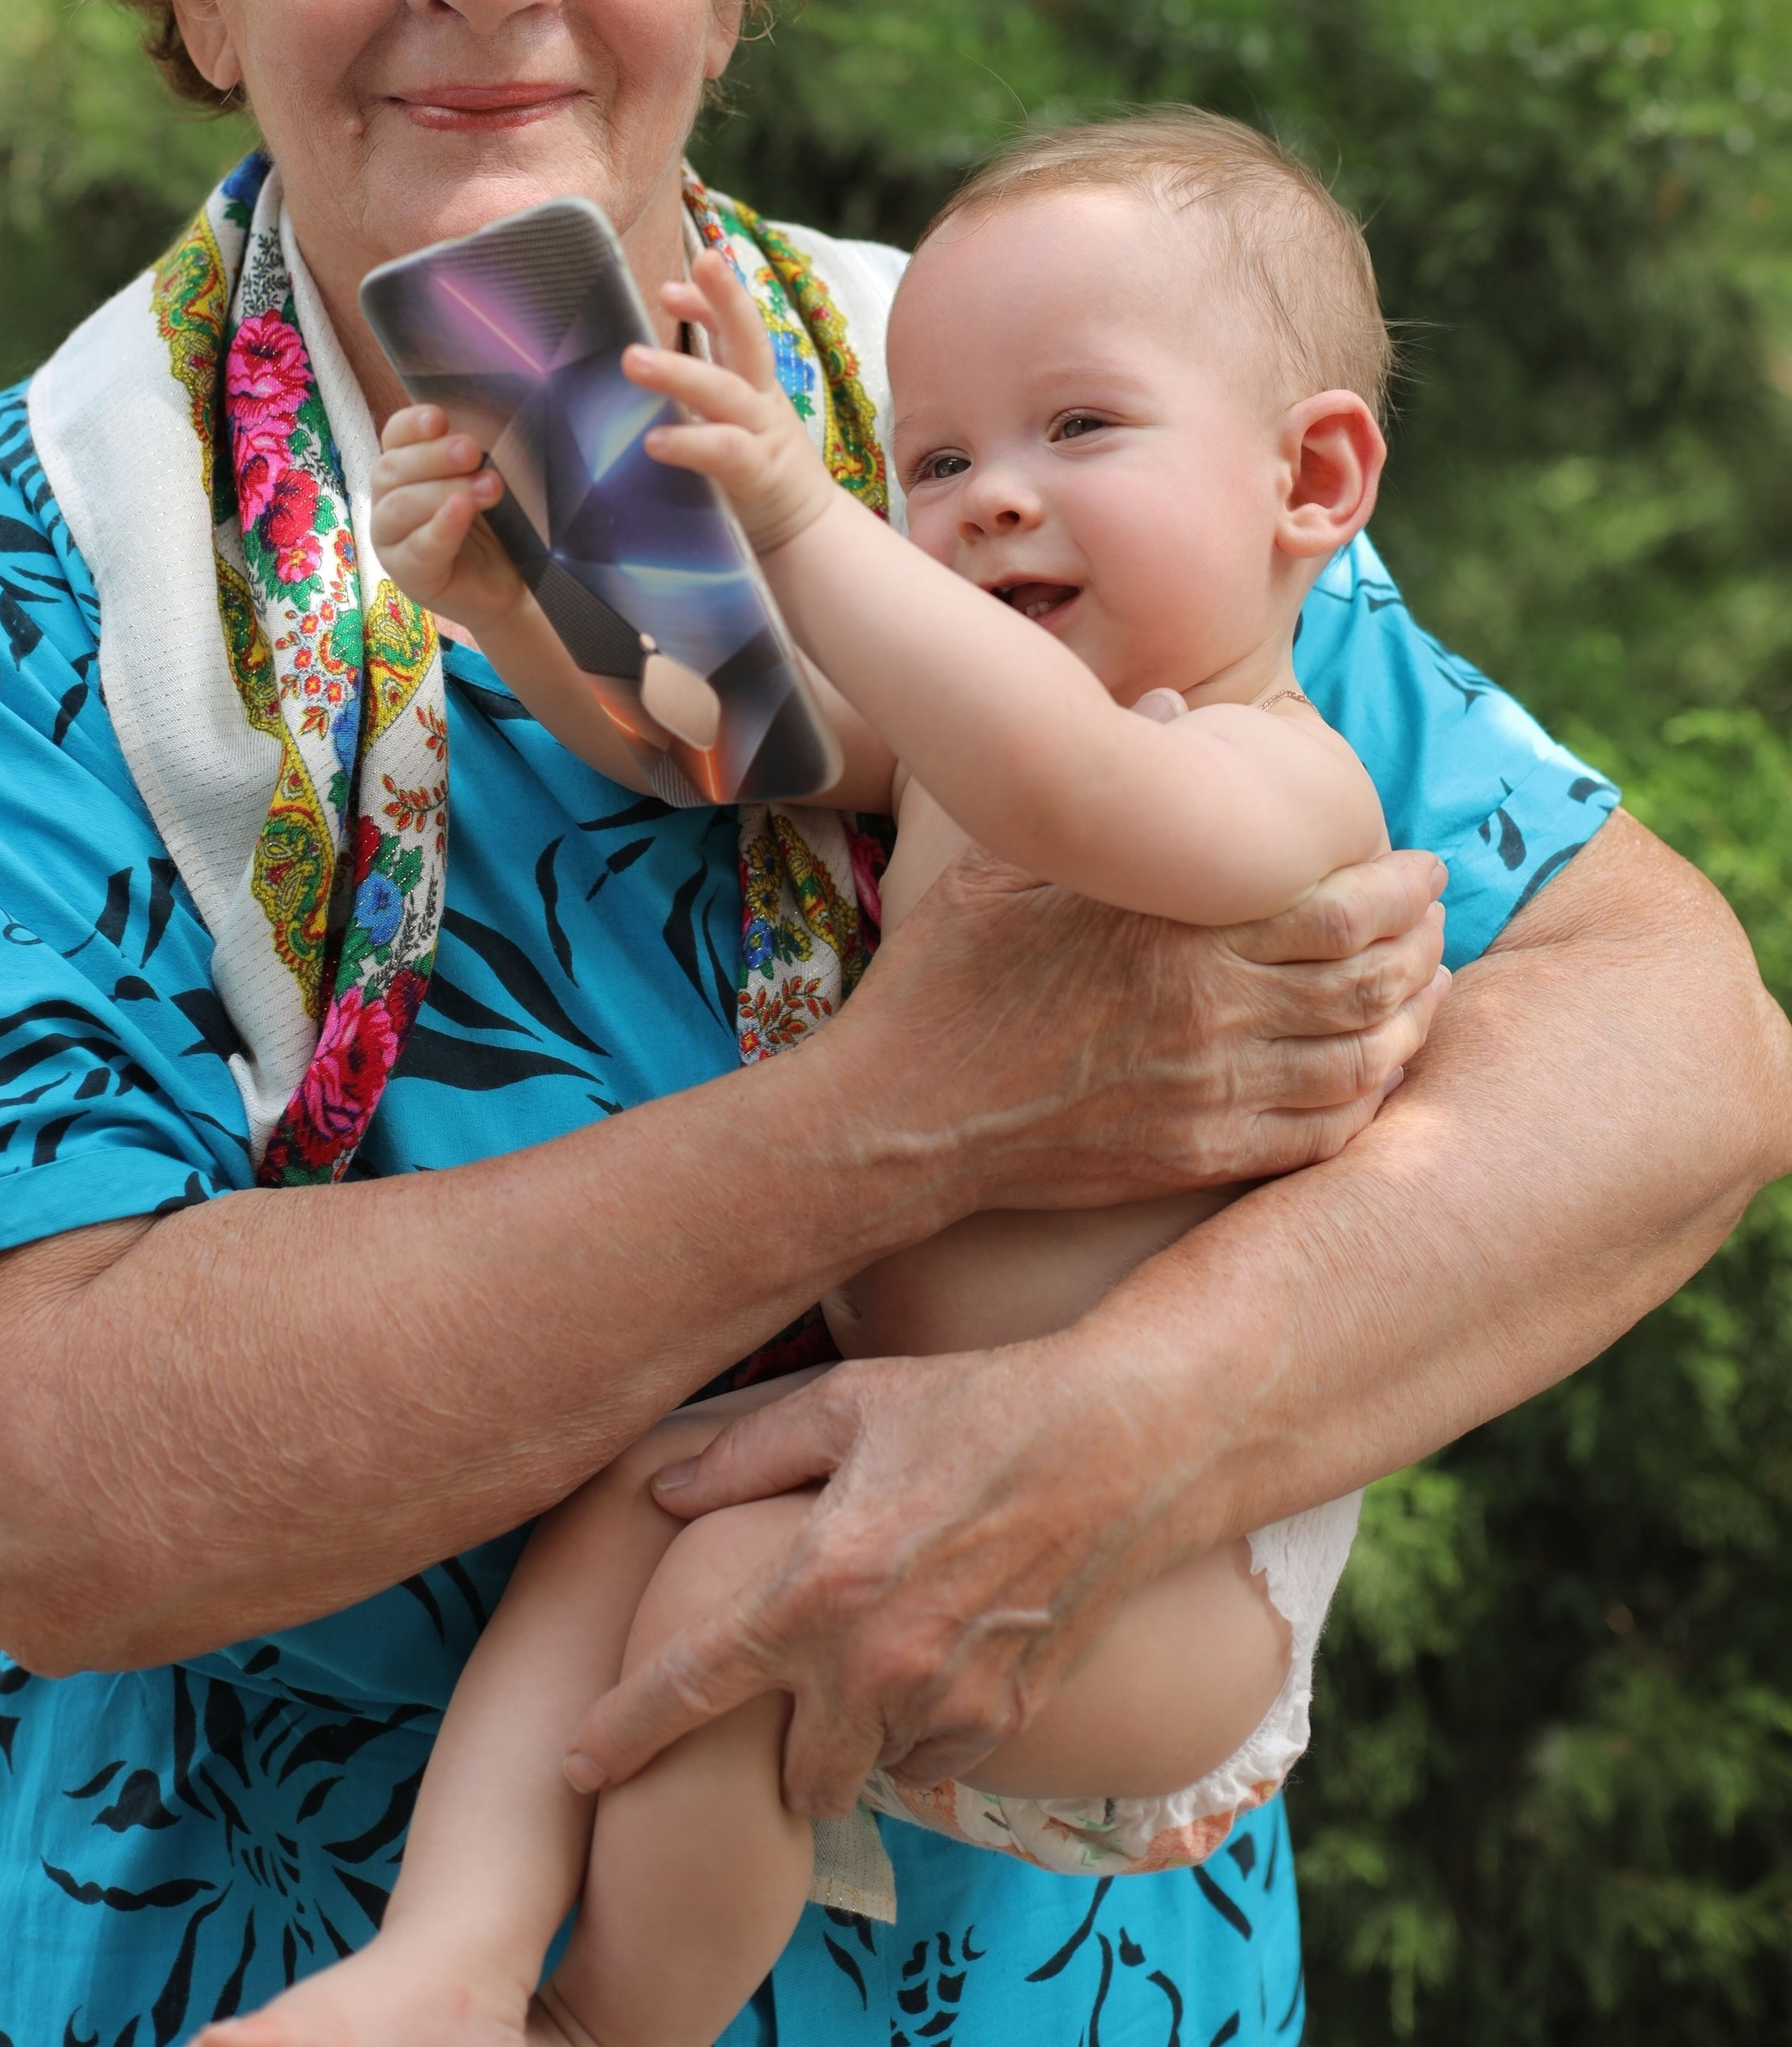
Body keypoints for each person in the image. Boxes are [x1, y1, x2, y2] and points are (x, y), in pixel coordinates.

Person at [0, 0, 1782, 2047]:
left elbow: (1676, 1036)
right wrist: (896, 1129)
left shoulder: (1001, 425)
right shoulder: (32, 556)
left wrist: (1100, 1433)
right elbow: (21, 1480)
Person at [265, 111, 1394, 2047]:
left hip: (1148, 1574)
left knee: (738, 1588)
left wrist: (806, 523)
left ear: (1305, 478)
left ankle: (609, 2018)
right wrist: (504, 608)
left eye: (1077, 432)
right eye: (938, 457)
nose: (985, 502)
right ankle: (443, 1957)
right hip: (883, 1432)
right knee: (645, 1496)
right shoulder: (976, 713)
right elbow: (729, 739)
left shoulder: (1272, 772)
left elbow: (1071, 785)